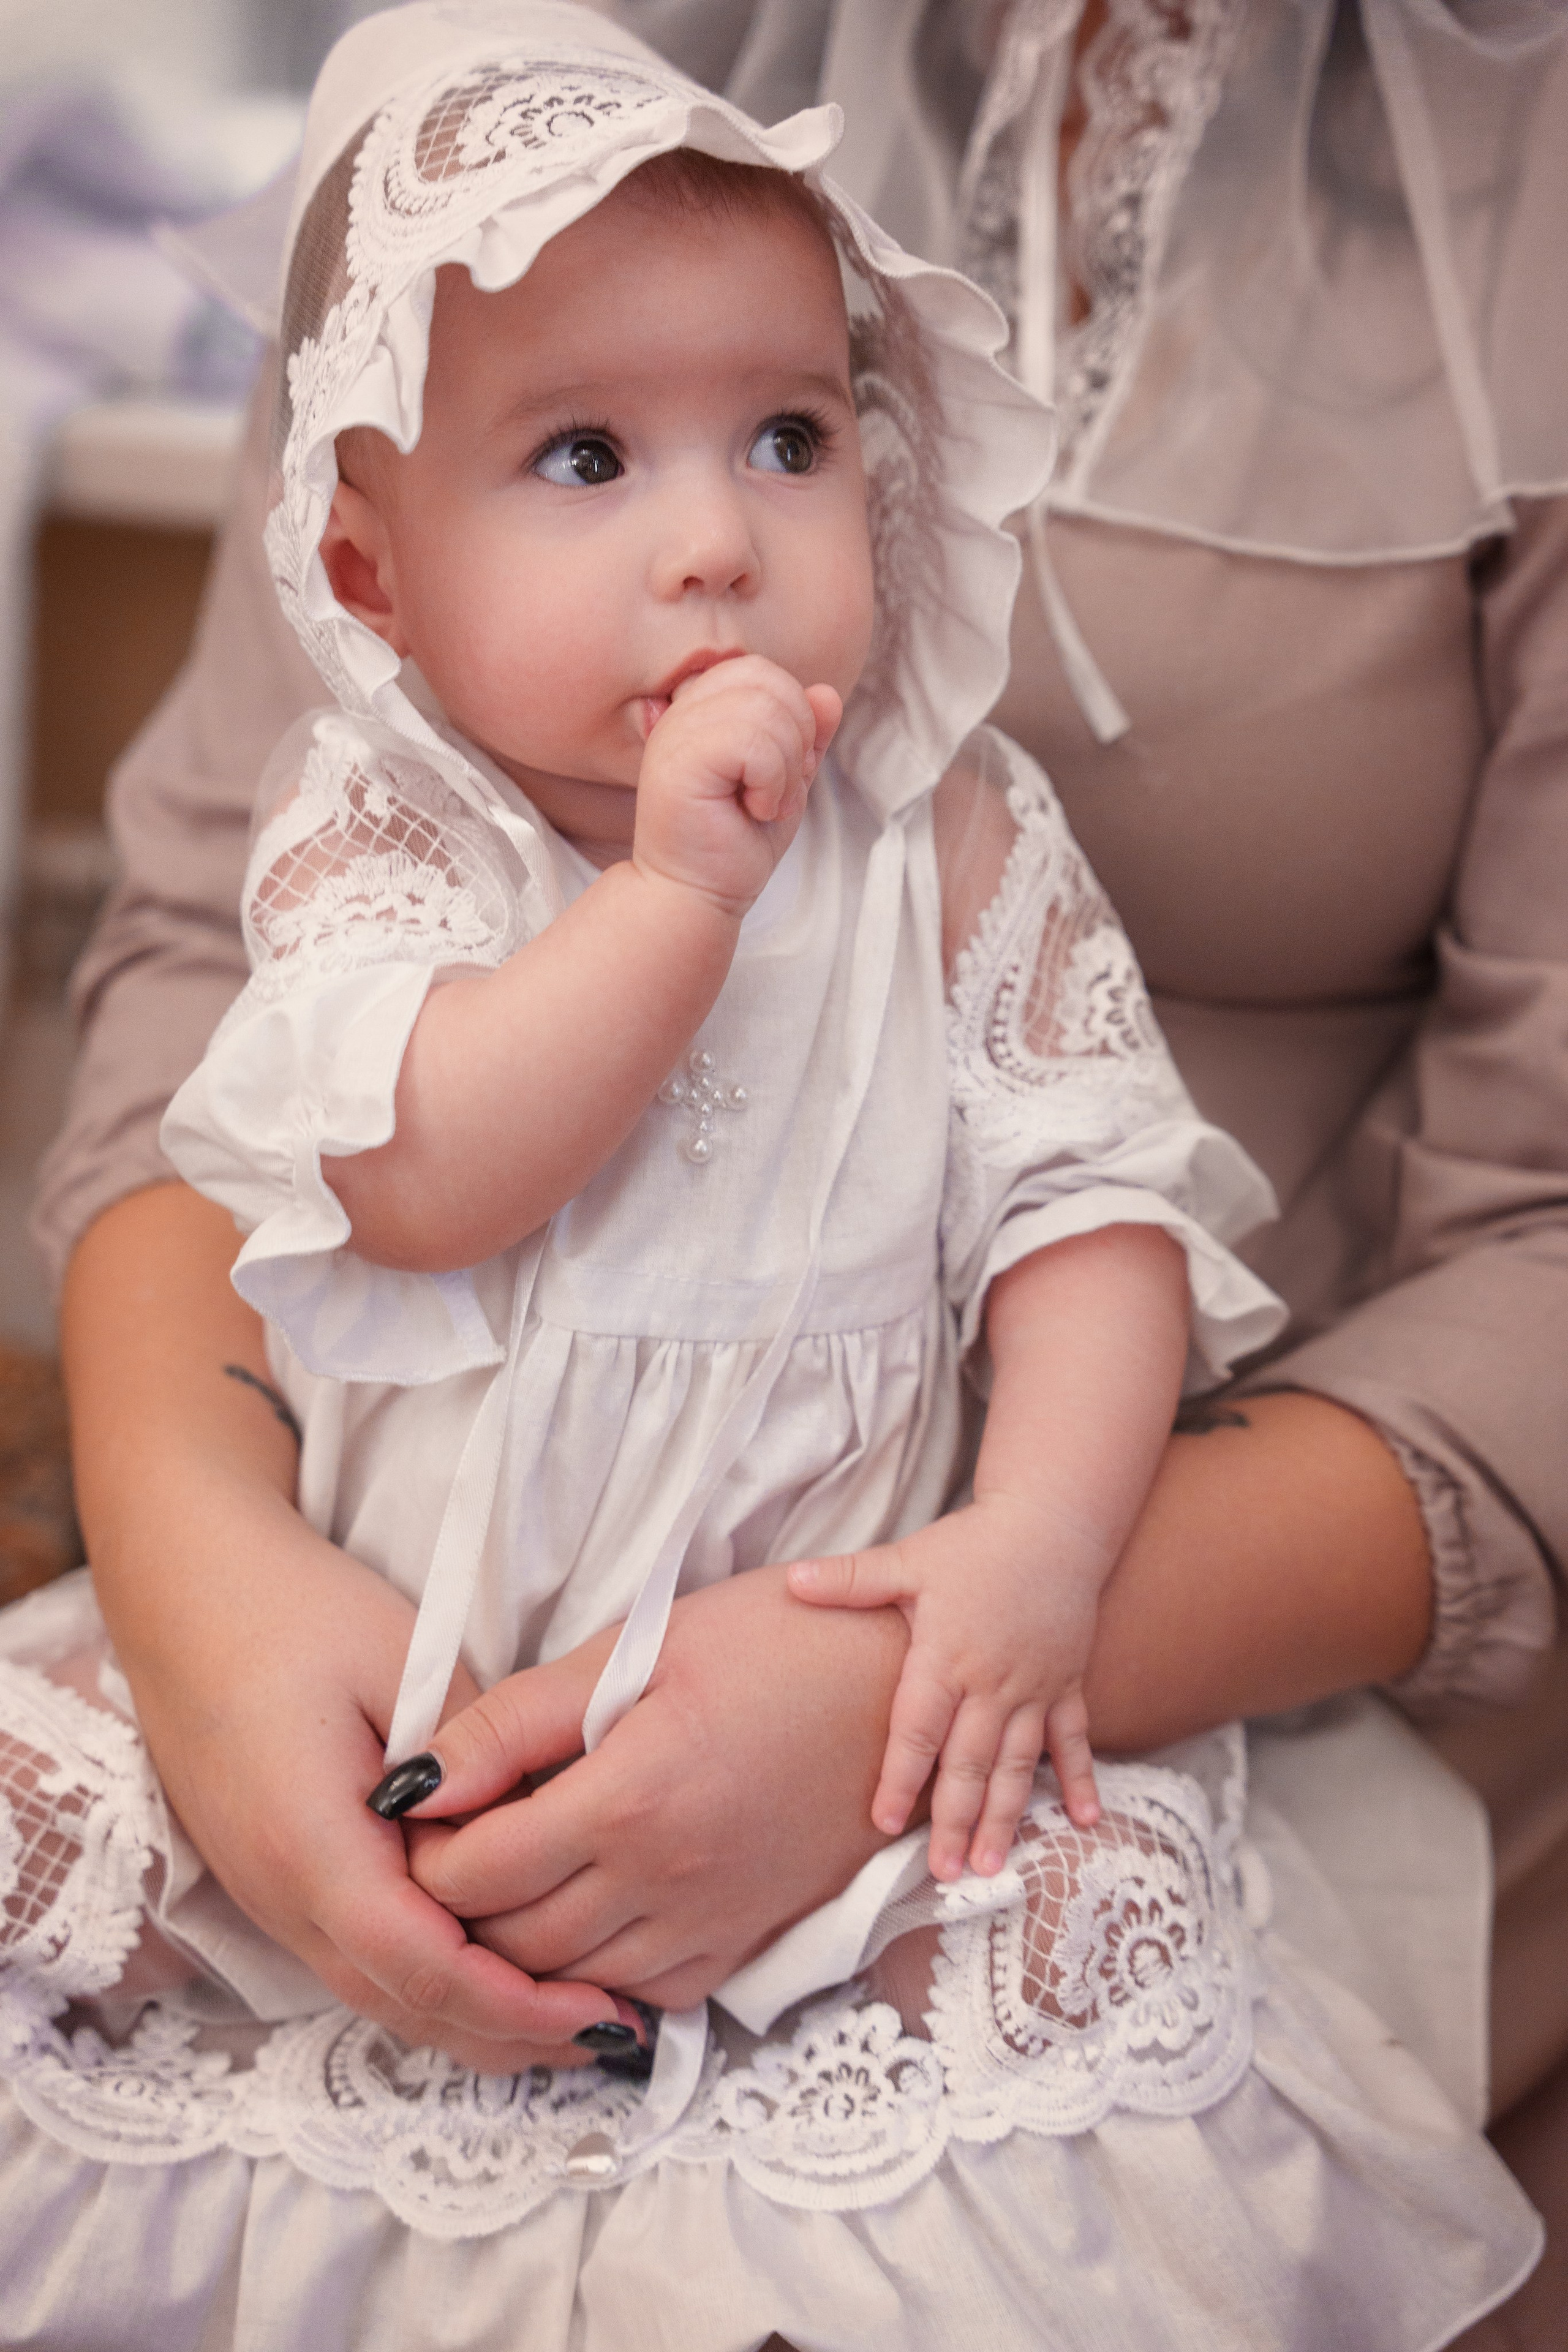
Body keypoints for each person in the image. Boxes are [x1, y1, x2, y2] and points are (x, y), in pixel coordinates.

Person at [5, 0, 1566, 2342]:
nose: (718, 542)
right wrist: (672, 913)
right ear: (376, 570)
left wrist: (1027, 1563)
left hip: (881, 1636)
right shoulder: (382, 833)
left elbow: (1092, 1209)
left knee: (1042, 2061)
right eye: (588, 461)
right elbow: (415, 1173)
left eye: (792, 436)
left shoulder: (947, 844)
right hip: (396, 1628)